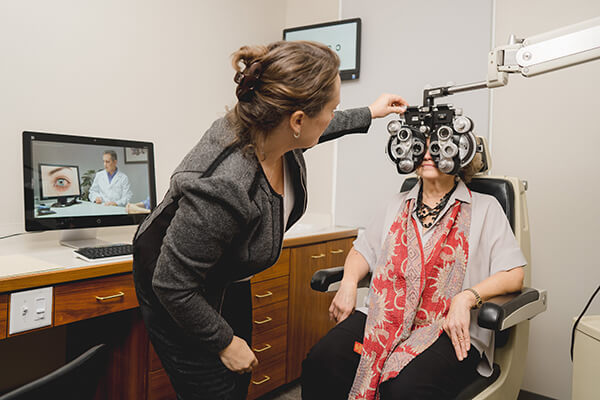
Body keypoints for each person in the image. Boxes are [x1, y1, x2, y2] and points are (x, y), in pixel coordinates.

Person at [131, 40, 409, 400]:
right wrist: (225, 341)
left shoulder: (276, 130)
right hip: (175, 282)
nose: (332, 116)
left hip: (228, 271)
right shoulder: (225, 184)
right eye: (332, 107)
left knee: (239, 380)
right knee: (215, 388)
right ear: (297, 120)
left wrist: (371, 112)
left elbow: (322, 125)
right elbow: (171, 283)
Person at [301, 141, 527, 400]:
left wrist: (466, 298)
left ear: (460, 153)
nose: (428, 154)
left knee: (403, 389)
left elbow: (513, 274)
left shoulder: (486, 208)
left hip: (445, 327)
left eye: (440, 147)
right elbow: (363, 251)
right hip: (384, 317)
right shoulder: (396, 204)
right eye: (422, 146)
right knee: (322, 362)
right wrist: (349, 283)